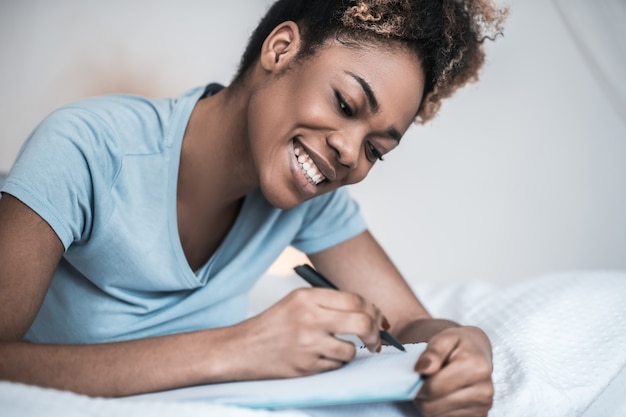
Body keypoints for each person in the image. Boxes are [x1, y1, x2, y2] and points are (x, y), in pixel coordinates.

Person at [0, 1, 507, 416]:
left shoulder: (307, 201)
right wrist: (237, 348)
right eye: (346, 105)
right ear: (281, 49)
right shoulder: (87, 147)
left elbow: (409, 324)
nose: (351, 155)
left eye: (377, 149)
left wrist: (465, 345)